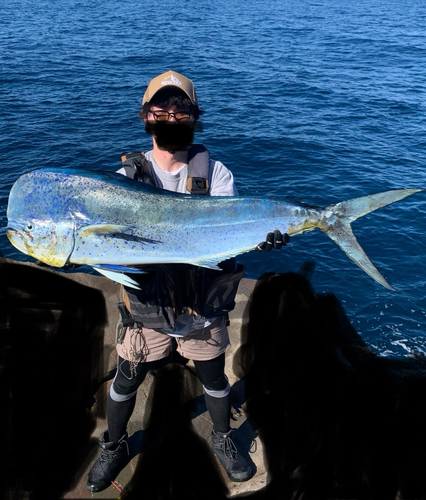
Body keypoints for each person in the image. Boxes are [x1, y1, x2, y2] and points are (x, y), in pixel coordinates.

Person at [87, 70, 288, 493]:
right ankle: (114, 445)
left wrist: (260, 239)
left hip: (203, 307)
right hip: (146, 310)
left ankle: (221, 437)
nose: (171, 117)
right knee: (127, 377)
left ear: (195, 117)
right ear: (146, 117)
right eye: (162, 109)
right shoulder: (121, 182)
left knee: (214, 378)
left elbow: (227, 235)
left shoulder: (217, 175)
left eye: (181, 110)